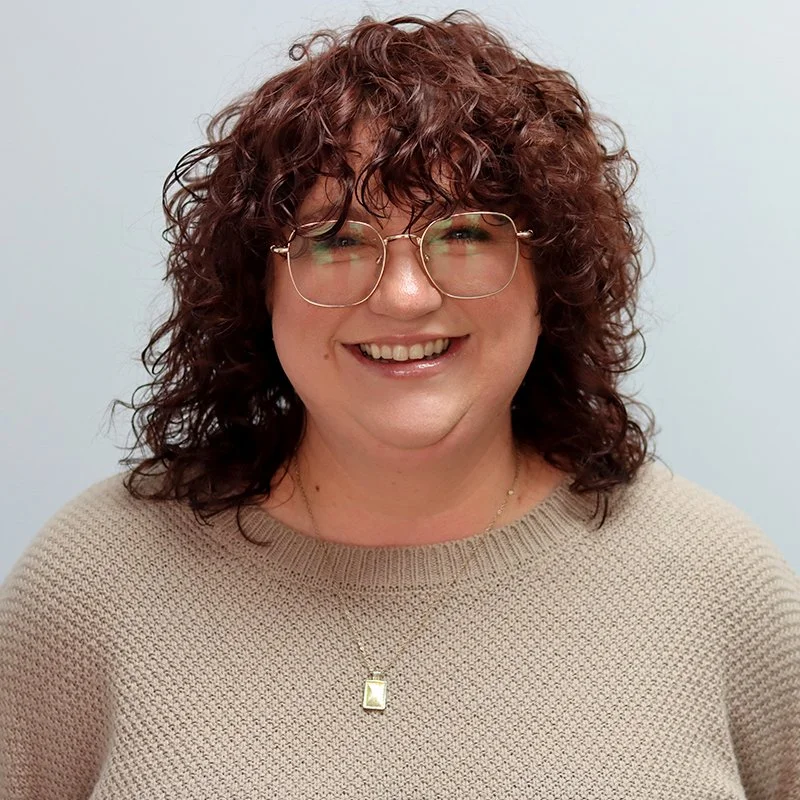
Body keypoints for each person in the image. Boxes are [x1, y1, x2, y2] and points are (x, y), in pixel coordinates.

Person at [1, 11, 798, 799]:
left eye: (465, 233)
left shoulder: (721, 587)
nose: (406, 296)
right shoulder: (89, 587)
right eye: (338, 240)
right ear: (258, 286)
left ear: (548, 277)